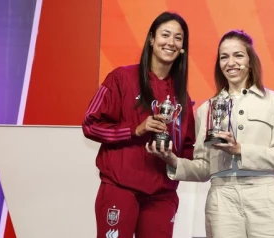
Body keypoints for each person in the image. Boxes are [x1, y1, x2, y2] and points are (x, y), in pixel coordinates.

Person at [146, 30, 274, 238]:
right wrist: (173, 161)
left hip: (266, 195)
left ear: (250, 61)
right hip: (222, 199)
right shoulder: (206, 109)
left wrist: (240, 150)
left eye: (238, 55)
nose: (230, 62)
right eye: (224, 57)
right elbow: (204, 168)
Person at [82, 11, 195, 238]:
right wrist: (135, 129)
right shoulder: (121, 78)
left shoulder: (182, 96)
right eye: (165, 35)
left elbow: (188, 149)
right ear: (152, 39)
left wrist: (174, 160)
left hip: (162, 195)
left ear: (182, 47)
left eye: (178, 38)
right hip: (120, 188)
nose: (170, 43)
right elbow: (90, 124)